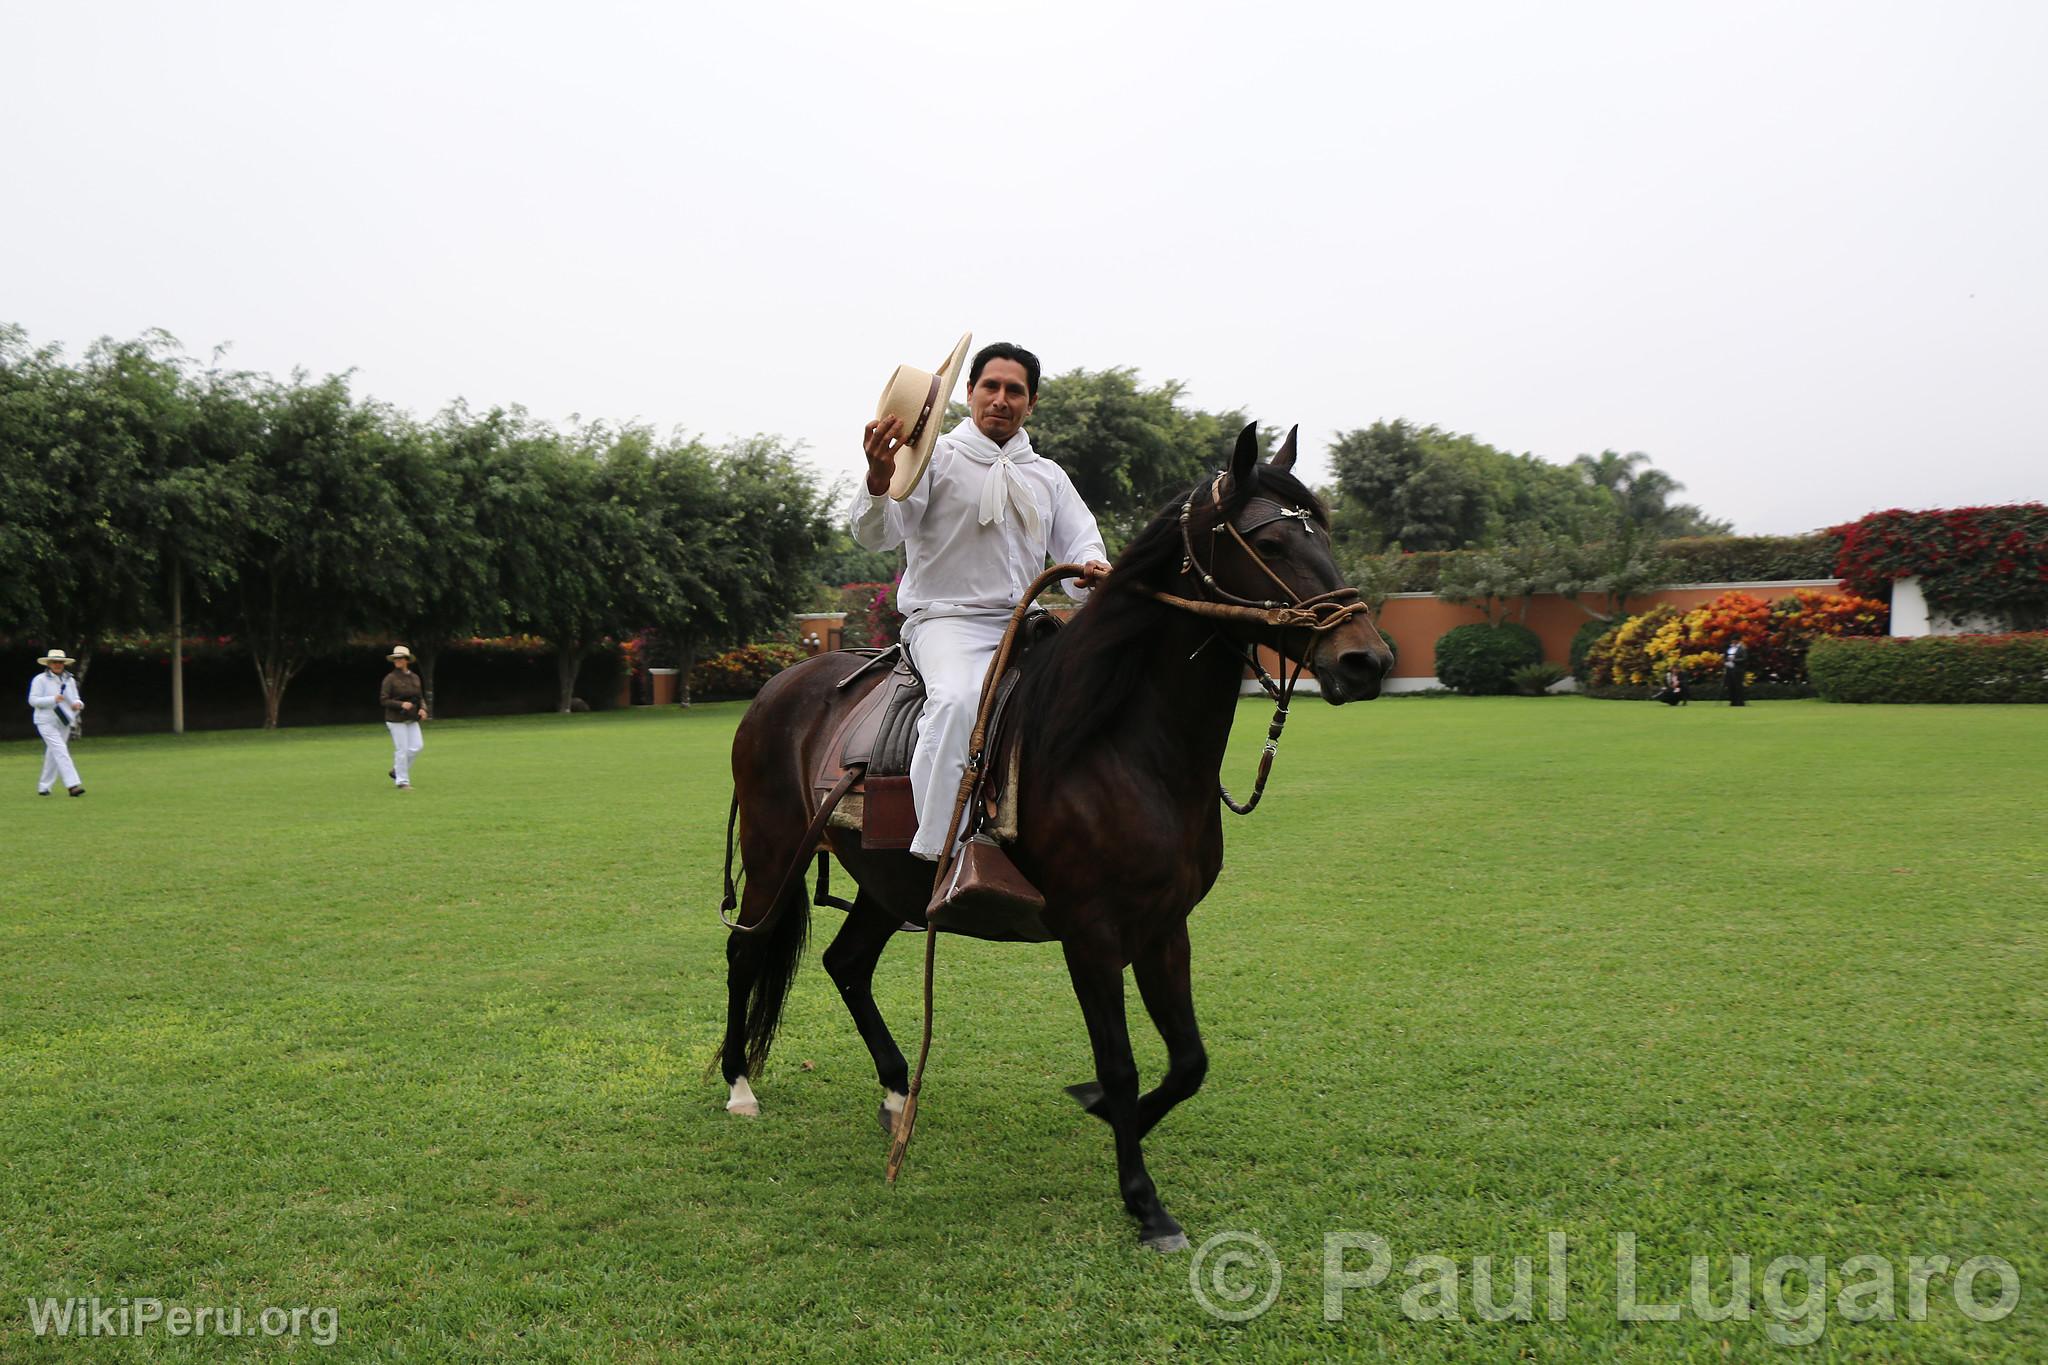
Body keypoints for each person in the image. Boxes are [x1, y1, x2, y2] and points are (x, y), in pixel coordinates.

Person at [851, 341, 1111, 861]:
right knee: (955, 703)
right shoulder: (932, 460)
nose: (1000, 398)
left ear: (1031, 402)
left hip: (1027, 625)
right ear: (968, 393)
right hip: (947, 624)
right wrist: (878, 480)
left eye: (1014, 390)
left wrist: (1092, 569)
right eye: (990, 386)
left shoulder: (1048, 475)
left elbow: (1080, 546)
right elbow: (875, 536)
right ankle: (942, 854)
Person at [28, 648, 86, 796]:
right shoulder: (39, 680)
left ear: (64, 663)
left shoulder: (70, 679)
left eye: (60, 662)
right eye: (54, 662)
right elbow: (33, 700)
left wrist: (78, 704)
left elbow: (76, 698)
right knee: (61, 750)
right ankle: (73, 786)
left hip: (64, 720)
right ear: (48, 663)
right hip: (45, 721)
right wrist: (52, 699)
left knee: (54, 753)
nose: (57, 665)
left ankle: (44, 787)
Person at [380, 645, 428, 789]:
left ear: (407, 660)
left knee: (417, 747)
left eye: (400, 658)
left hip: (411, 717)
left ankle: (397, 770)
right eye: (396, 658)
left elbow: (420, 697)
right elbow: (384, 700)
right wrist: (401, 704)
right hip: (395, 719)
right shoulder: (390, 679)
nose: (398, 660)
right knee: (402, 749)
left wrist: (423, 709)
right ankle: (402, 781)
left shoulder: (414, 677)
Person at [1723, 639, 1748, 707]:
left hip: (1738, 670)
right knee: (1731, 686)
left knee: (1738, 686)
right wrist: (1726, 662)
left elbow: (1744, 658)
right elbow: (1726, 657)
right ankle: (1732, 701)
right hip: (1729, 669)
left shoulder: (1742, 648)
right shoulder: (1730, 648)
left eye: (1734, 641)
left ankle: (1740, 702)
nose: (1732, 642)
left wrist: (1734, 660)